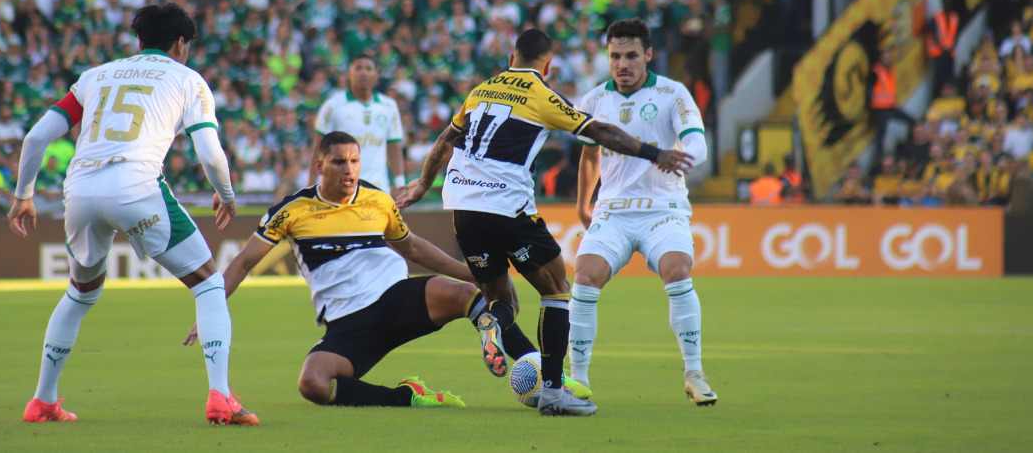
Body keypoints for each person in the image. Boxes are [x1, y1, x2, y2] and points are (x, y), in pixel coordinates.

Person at [397, 29, 693, 416]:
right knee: (556, 289)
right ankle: (553, 391)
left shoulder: (480, 90)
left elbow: (446, 139)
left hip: (461, 209)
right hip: (507, 207)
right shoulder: (540, 95)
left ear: (510, 57)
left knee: (503, 300)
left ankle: (492, 322)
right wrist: (655, 152)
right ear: (548, 65)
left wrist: (422, 183)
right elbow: (599, 132)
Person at [6, 4, 259, 426]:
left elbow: (35, 138)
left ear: (139, 42)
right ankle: (220, 397)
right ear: (181, 44)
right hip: (137, 184)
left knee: (80, 294)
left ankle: (42, 400)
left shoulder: (95, 76)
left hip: (81, 188)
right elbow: (210, 152)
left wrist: (23, 195)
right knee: (209, 285)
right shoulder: (187, 79)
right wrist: (226, 194)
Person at [186, 131, 490, 408]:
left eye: (355, 161)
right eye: (340, 161)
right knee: (313, 384)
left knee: (468, 295)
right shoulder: (292, 210)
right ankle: (407, 397)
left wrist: (471, 272)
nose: (349, 169)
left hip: (394, 299)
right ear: (320, 166)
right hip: (347, 322)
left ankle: (530, 365)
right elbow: (242, 262)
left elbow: (411, 246)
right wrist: (211, 309)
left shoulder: (378, 199)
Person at [568, 19, 716, 405]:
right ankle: (577, 380)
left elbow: (697, 143)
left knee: (677, 268)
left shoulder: (673, 93)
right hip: (613, 212)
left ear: (648, 55)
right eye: (615, 56)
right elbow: (588, 156)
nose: (623, 64)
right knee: (584, 277)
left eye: (631, 55)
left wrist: (685, 158)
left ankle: (694, 373)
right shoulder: (594, 100)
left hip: (662, 210)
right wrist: (584, 203)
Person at [311, 56, 406, 193]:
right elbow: (318, 148)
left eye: (368, 69)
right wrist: (311, 186)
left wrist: (400, 184)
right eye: (358, 68)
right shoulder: (333, 106)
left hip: (377, 189)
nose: (363, 73)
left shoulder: (389, 106)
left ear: (376, 76)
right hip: (339, 189)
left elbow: (394, 147)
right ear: (349, 74)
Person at [869, 50, 914, 162]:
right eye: (886, 57)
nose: (888, 59)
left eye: (889, 56)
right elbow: (869, 89)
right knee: (881, 135)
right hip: (880, 108)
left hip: (890, 106)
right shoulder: (876, 71)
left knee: (912, 121)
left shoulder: (891, 69)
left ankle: (905, 149)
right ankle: (878, 160)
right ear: (881, 59)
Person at [926, 0, 959, 99]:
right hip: (938, 53)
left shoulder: (954, 17)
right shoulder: (937, 17)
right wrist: (942, 47)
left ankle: (947, 98)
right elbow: (933, 33)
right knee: (939, 79)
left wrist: (951, 48)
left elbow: (955, 34)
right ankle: (936, 98)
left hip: (950, 53)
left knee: (949, 78)